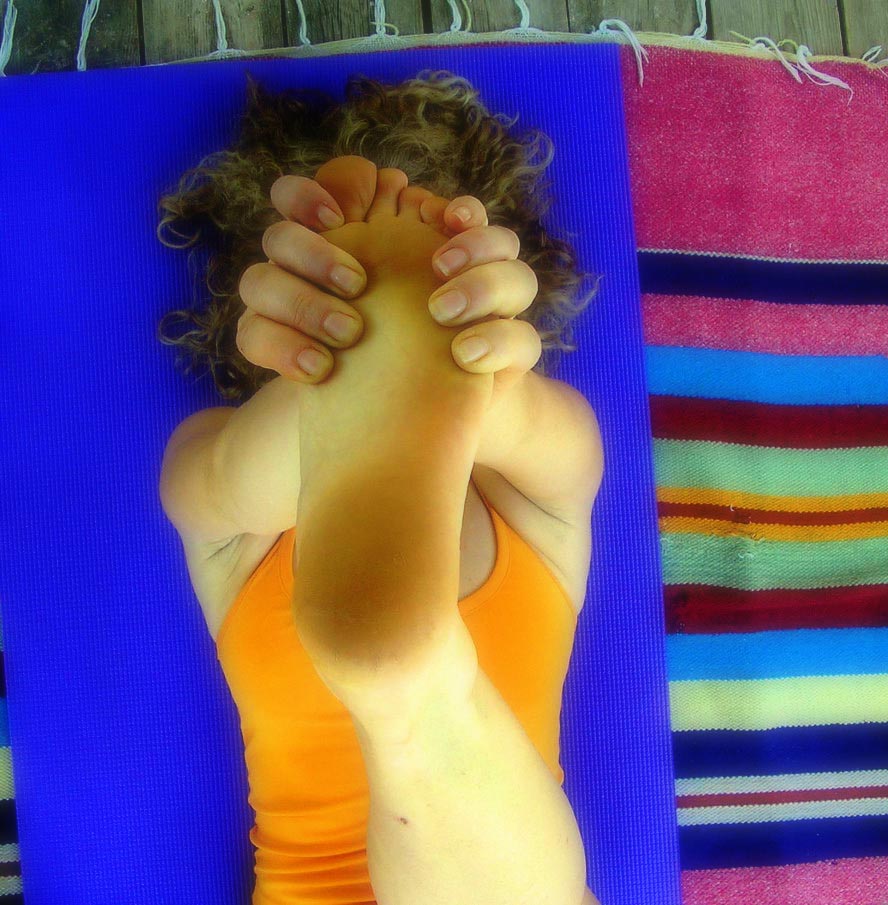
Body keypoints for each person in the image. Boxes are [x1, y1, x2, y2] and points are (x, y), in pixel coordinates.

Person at [157, 72, 604, 905]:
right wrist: (350, 367)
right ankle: (413, 692)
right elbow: (215, 483)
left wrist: (470, 373)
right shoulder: (531, 515)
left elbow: (553, 437)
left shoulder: (524, 479)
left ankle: (411, 692)